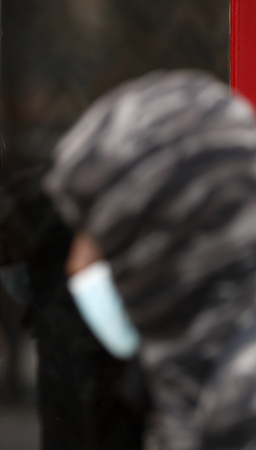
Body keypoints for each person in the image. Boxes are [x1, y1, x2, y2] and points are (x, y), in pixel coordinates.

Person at [42, 70, 256, 450]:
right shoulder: (185, 381)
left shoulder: (240, 406)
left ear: (166, 245)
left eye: (102, 235)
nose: (76, 264)